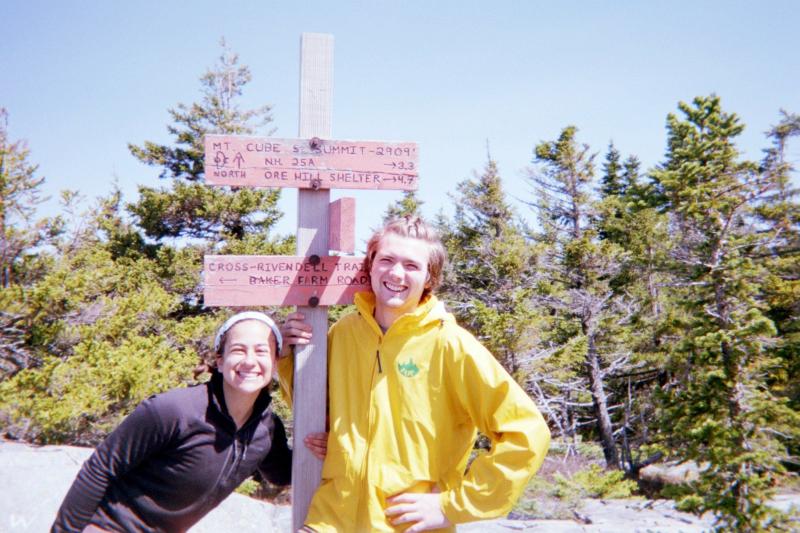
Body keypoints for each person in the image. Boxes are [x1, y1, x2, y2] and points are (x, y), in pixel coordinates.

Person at [279, 216, 551, 532]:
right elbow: (315, 407)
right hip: (330, 520)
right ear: (371, 265)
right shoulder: (345, 333)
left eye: (411, 265)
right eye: (387, 260)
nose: (396, 273)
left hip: (405, 525)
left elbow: (528, 432)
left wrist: (453, 505)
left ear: (429, 278)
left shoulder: (450, 343)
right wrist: (287, 359)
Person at [52, 311, 327, 533]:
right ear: (220, 360)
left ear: (277, 360)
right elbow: (100, 468)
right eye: (239, 350)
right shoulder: (174, 410)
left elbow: (281, 474)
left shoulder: (266, 429)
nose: (250, 361)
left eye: (261, 351)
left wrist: (332, 441)